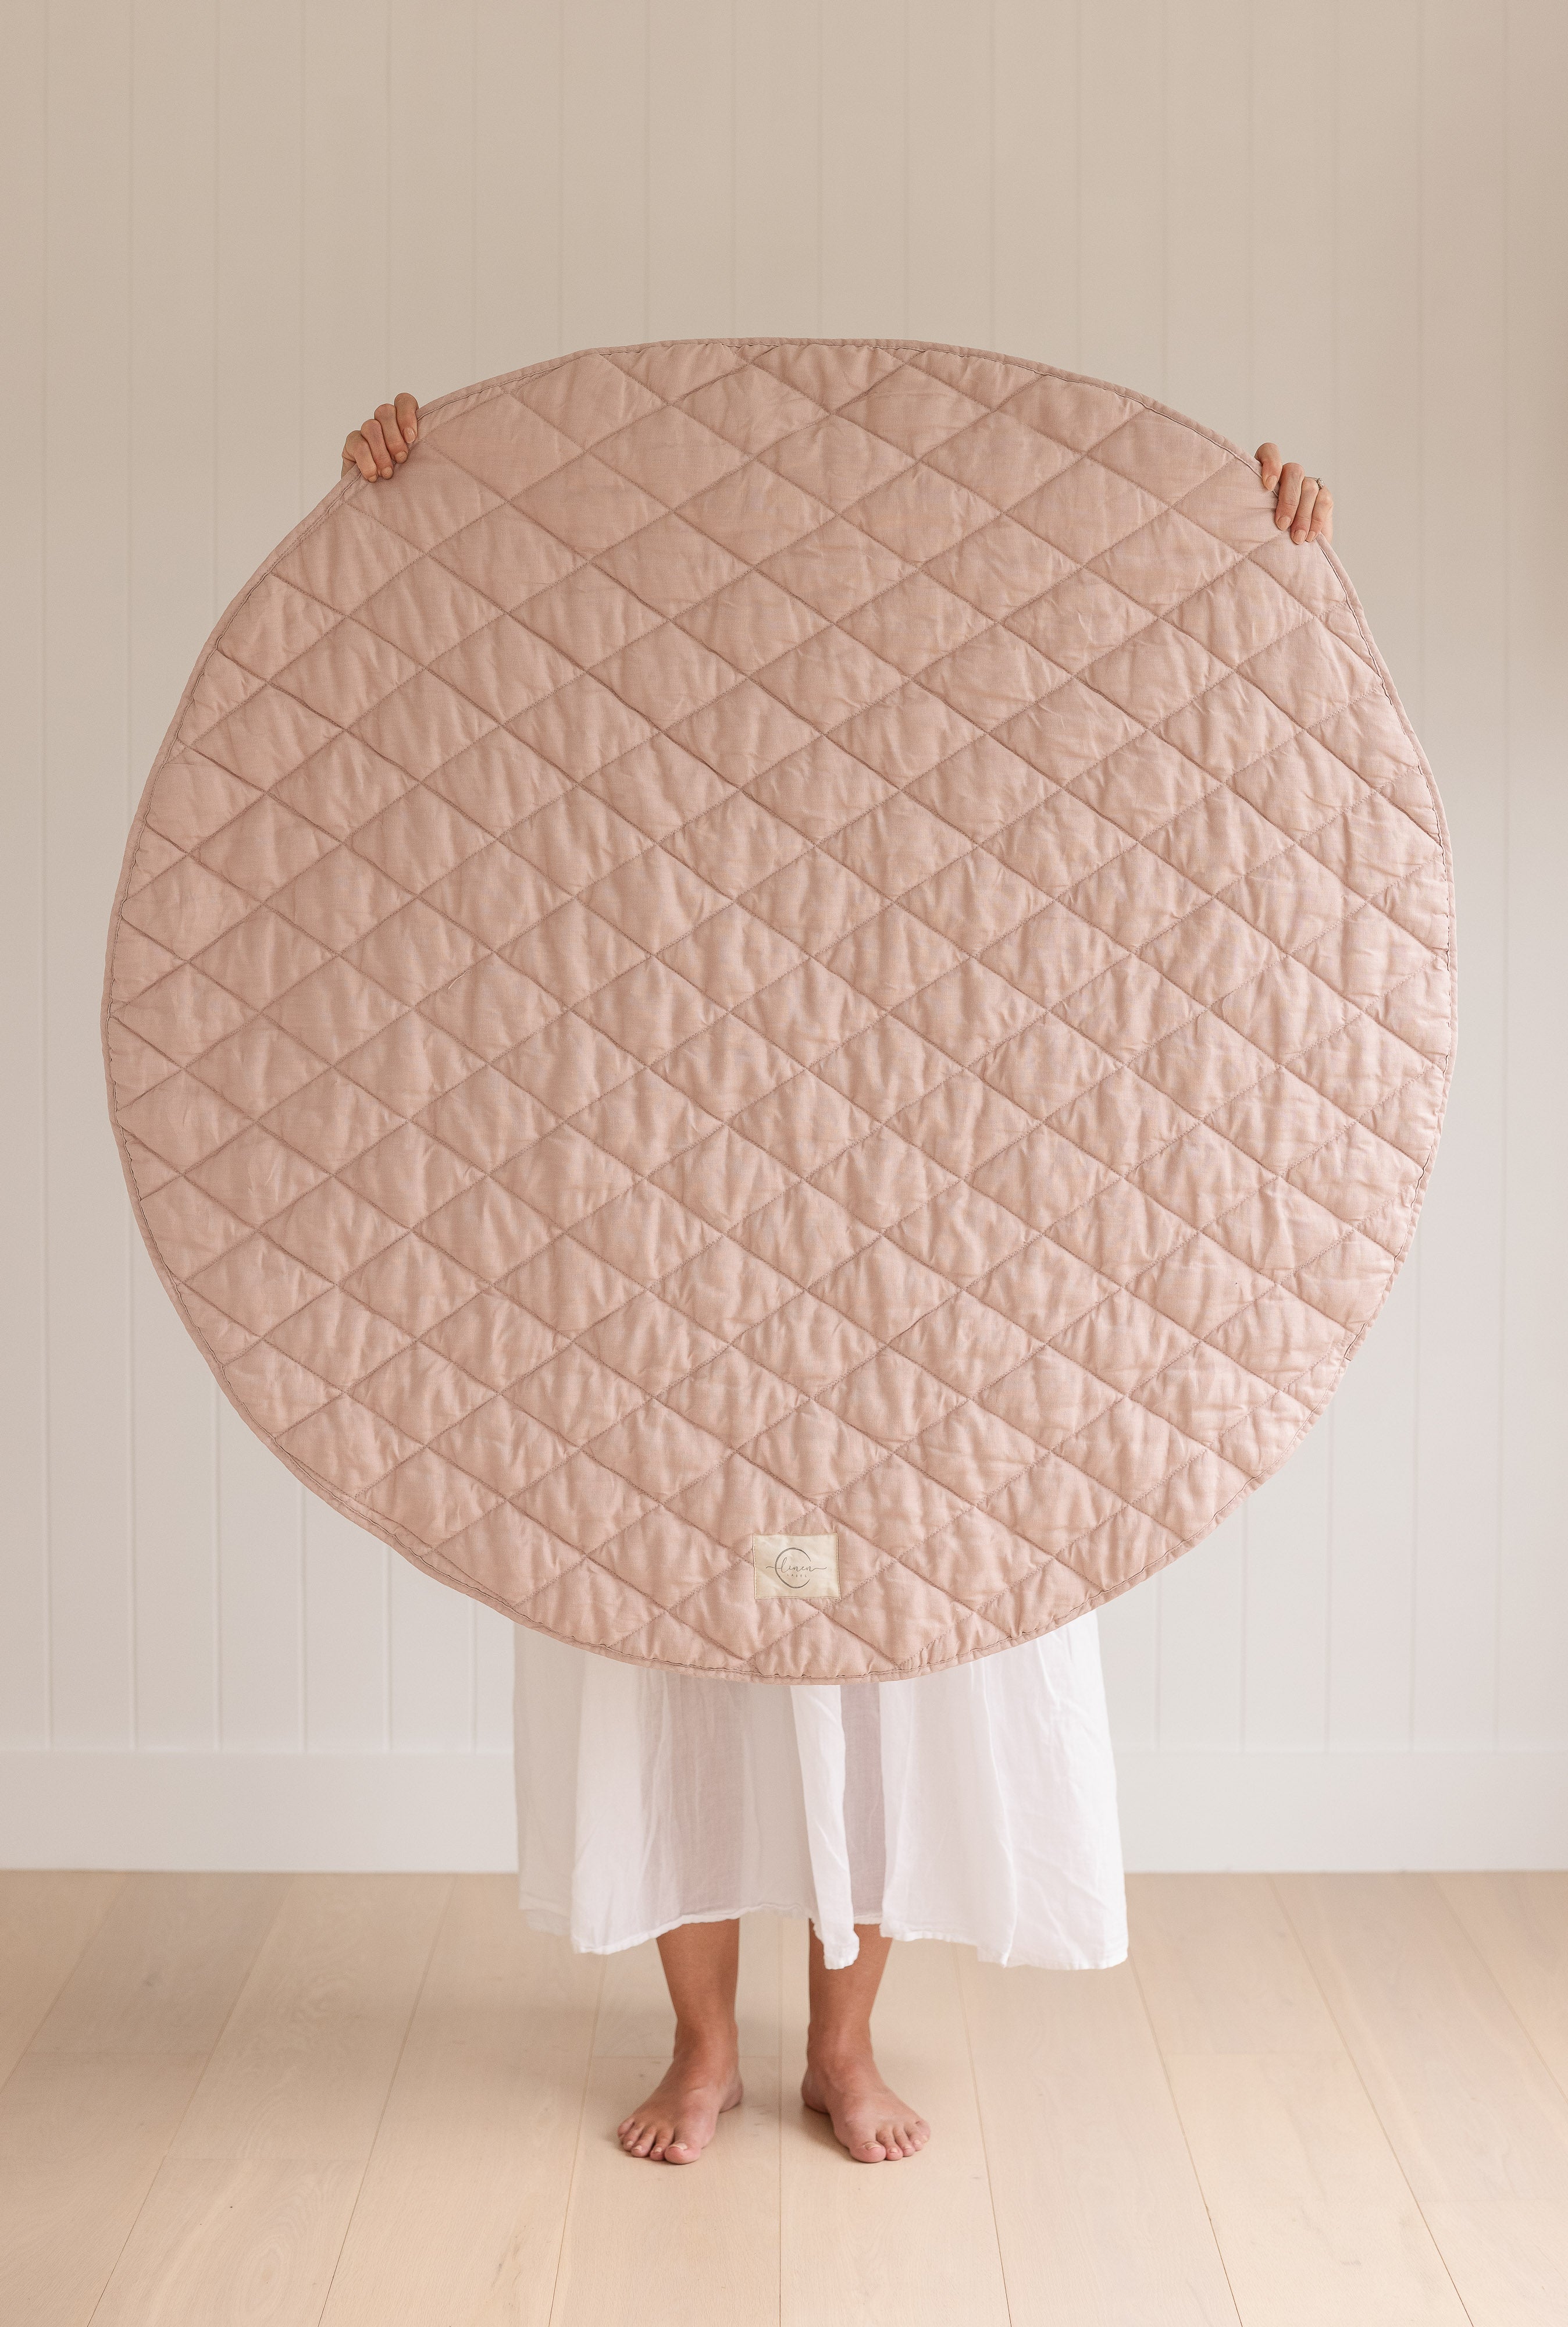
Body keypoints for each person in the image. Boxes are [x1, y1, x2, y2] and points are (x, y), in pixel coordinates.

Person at [341, 389, 1332, 2166]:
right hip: (651, 1236)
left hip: (911, 1247)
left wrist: (1237, 556)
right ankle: (706, 2045)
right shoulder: (627, 708)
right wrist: (419, 515)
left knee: (885, 1642)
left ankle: (844, 2050)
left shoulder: (962, 708)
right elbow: (480, 726)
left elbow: (1129, 776)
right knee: (657, 1631)